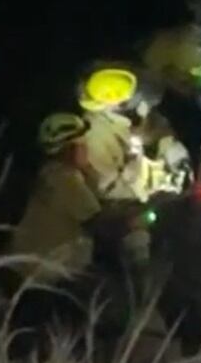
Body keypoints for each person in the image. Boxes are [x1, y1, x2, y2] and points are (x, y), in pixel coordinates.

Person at [9, 113, 150, 339]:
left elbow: (99, 203)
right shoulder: (64, 179)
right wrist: (139, 220)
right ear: (69, 149)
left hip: (39, 271)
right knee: (110, 311)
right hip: (46, 276)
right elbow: (99, 224)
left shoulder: (60, 174)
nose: (87, 148)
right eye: (82, 144)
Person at [77, 66, 191, 201]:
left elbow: (163, 131)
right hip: (139, 191)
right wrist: (148, 192)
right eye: (126, 98)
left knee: (175, 150)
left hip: (157, 170)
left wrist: (151, 134)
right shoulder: (95, 135)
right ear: (113, 102)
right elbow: (110, 187)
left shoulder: (129, 111)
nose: (132, 98)